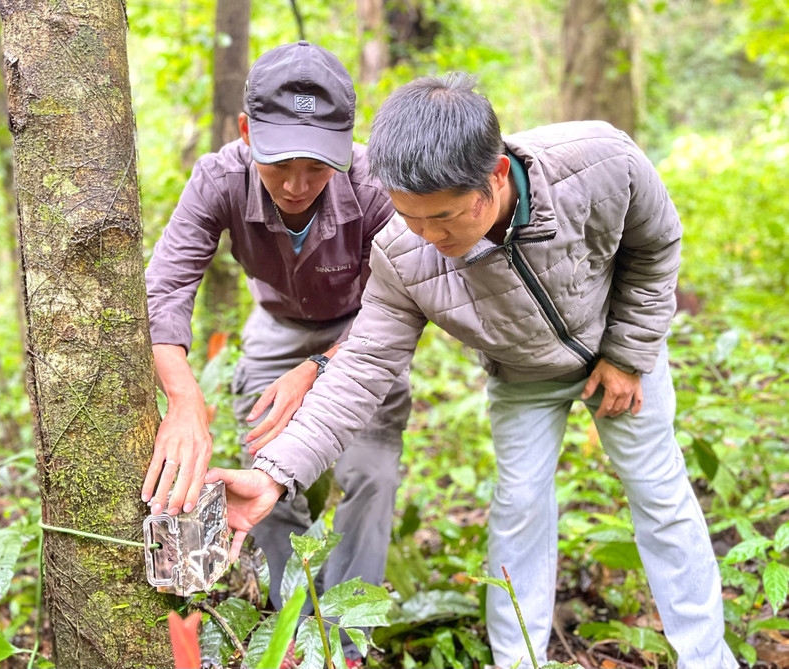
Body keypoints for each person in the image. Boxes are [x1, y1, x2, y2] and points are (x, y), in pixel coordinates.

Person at [207, 73, 738, 668]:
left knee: (659, 495)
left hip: (623, 351)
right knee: (519, 505)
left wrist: (628, 354)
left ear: (494, 175)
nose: (430, 236)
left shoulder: (600, 162)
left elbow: (656, 243)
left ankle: (707, 658)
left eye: (446, 218)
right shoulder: (401, 255)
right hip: (523, 377)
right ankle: (519, 661)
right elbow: (361, 370)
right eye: (412, 218)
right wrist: (275, 474)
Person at [141, 41, 411, 664]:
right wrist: (183, 399)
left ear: (346, 146)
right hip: (276, 325)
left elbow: (400, 312)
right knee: (263, 471)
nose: (295, 185)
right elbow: (165, 291)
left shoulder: (376, 186)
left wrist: (318, 370)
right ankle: (291, 620)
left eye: (317, 167)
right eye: (278, 163)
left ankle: (344, 637)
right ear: (245, 133)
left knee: (371, 474)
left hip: (366, 328)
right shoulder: (218, 177)